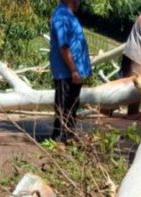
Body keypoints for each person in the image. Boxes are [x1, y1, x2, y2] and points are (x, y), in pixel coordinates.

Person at [49, 0, 91, 143]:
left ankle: (68, 138)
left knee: (71, 108)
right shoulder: (62, 16)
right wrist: (74, 71)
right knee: (63, 108)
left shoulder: (69, 15)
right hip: (66, 72)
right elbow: (64, 47)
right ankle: (59, 140)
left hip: (72, 72)